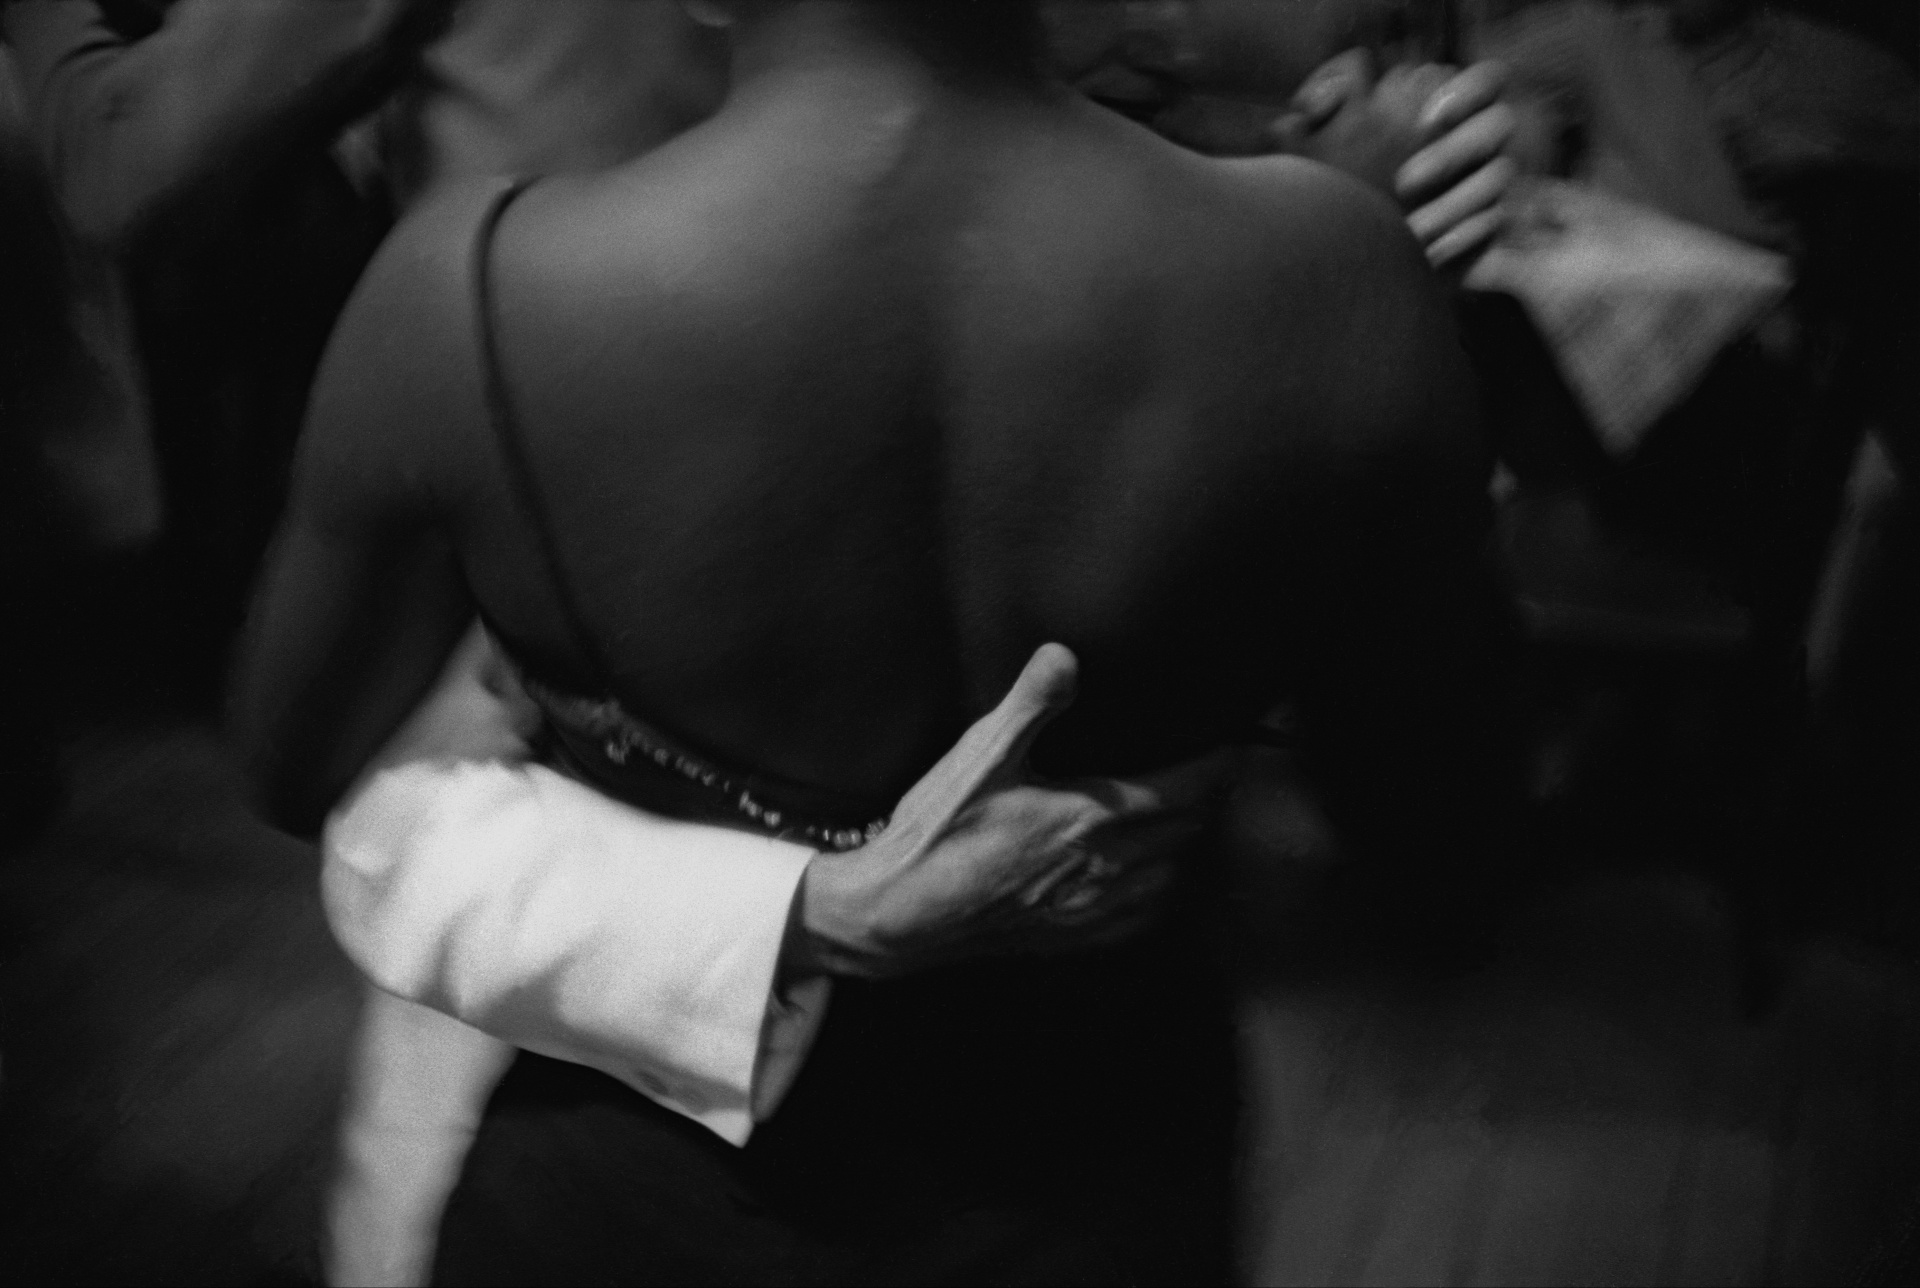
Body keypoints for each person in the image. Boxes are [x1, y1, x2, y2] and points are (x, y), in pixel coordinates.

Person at [235, 3, 1508, 1282]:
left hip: (636, 1189)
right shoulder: (1341, 266)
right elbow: (1441, 824)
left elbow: (296, 770)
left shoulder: (471, 284)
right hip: (1095, 1168)